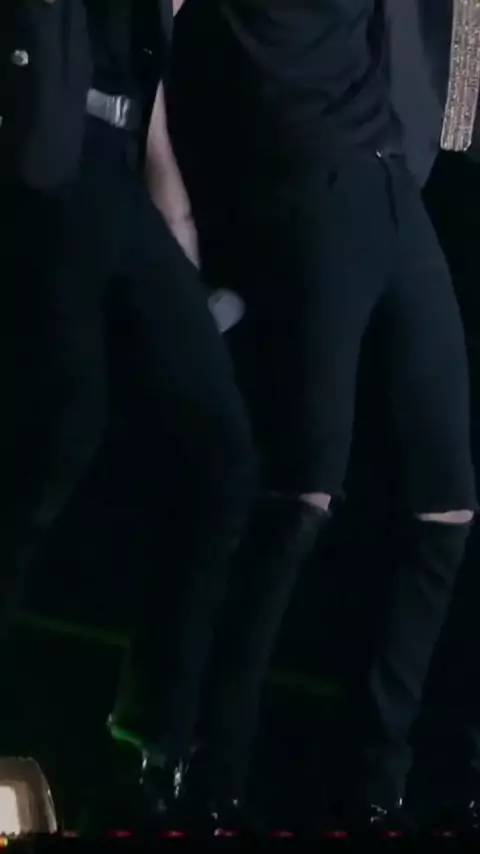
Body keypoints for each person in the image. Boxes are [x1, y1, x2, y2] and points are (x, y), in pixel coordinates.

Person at [163, 0, 478, 830]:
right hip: (309, 183)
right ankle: (210, 764)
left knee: (447, 502)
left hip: (388, 181)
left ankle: (376, 780)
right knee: (304, 492)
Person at [4, 0, 258, 829]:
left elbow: (142, 91)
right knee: (53, 445)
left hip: (117, 167)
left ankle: (152, 740)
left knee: (221, 455)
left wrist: (176, 223)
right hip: (45, 160)